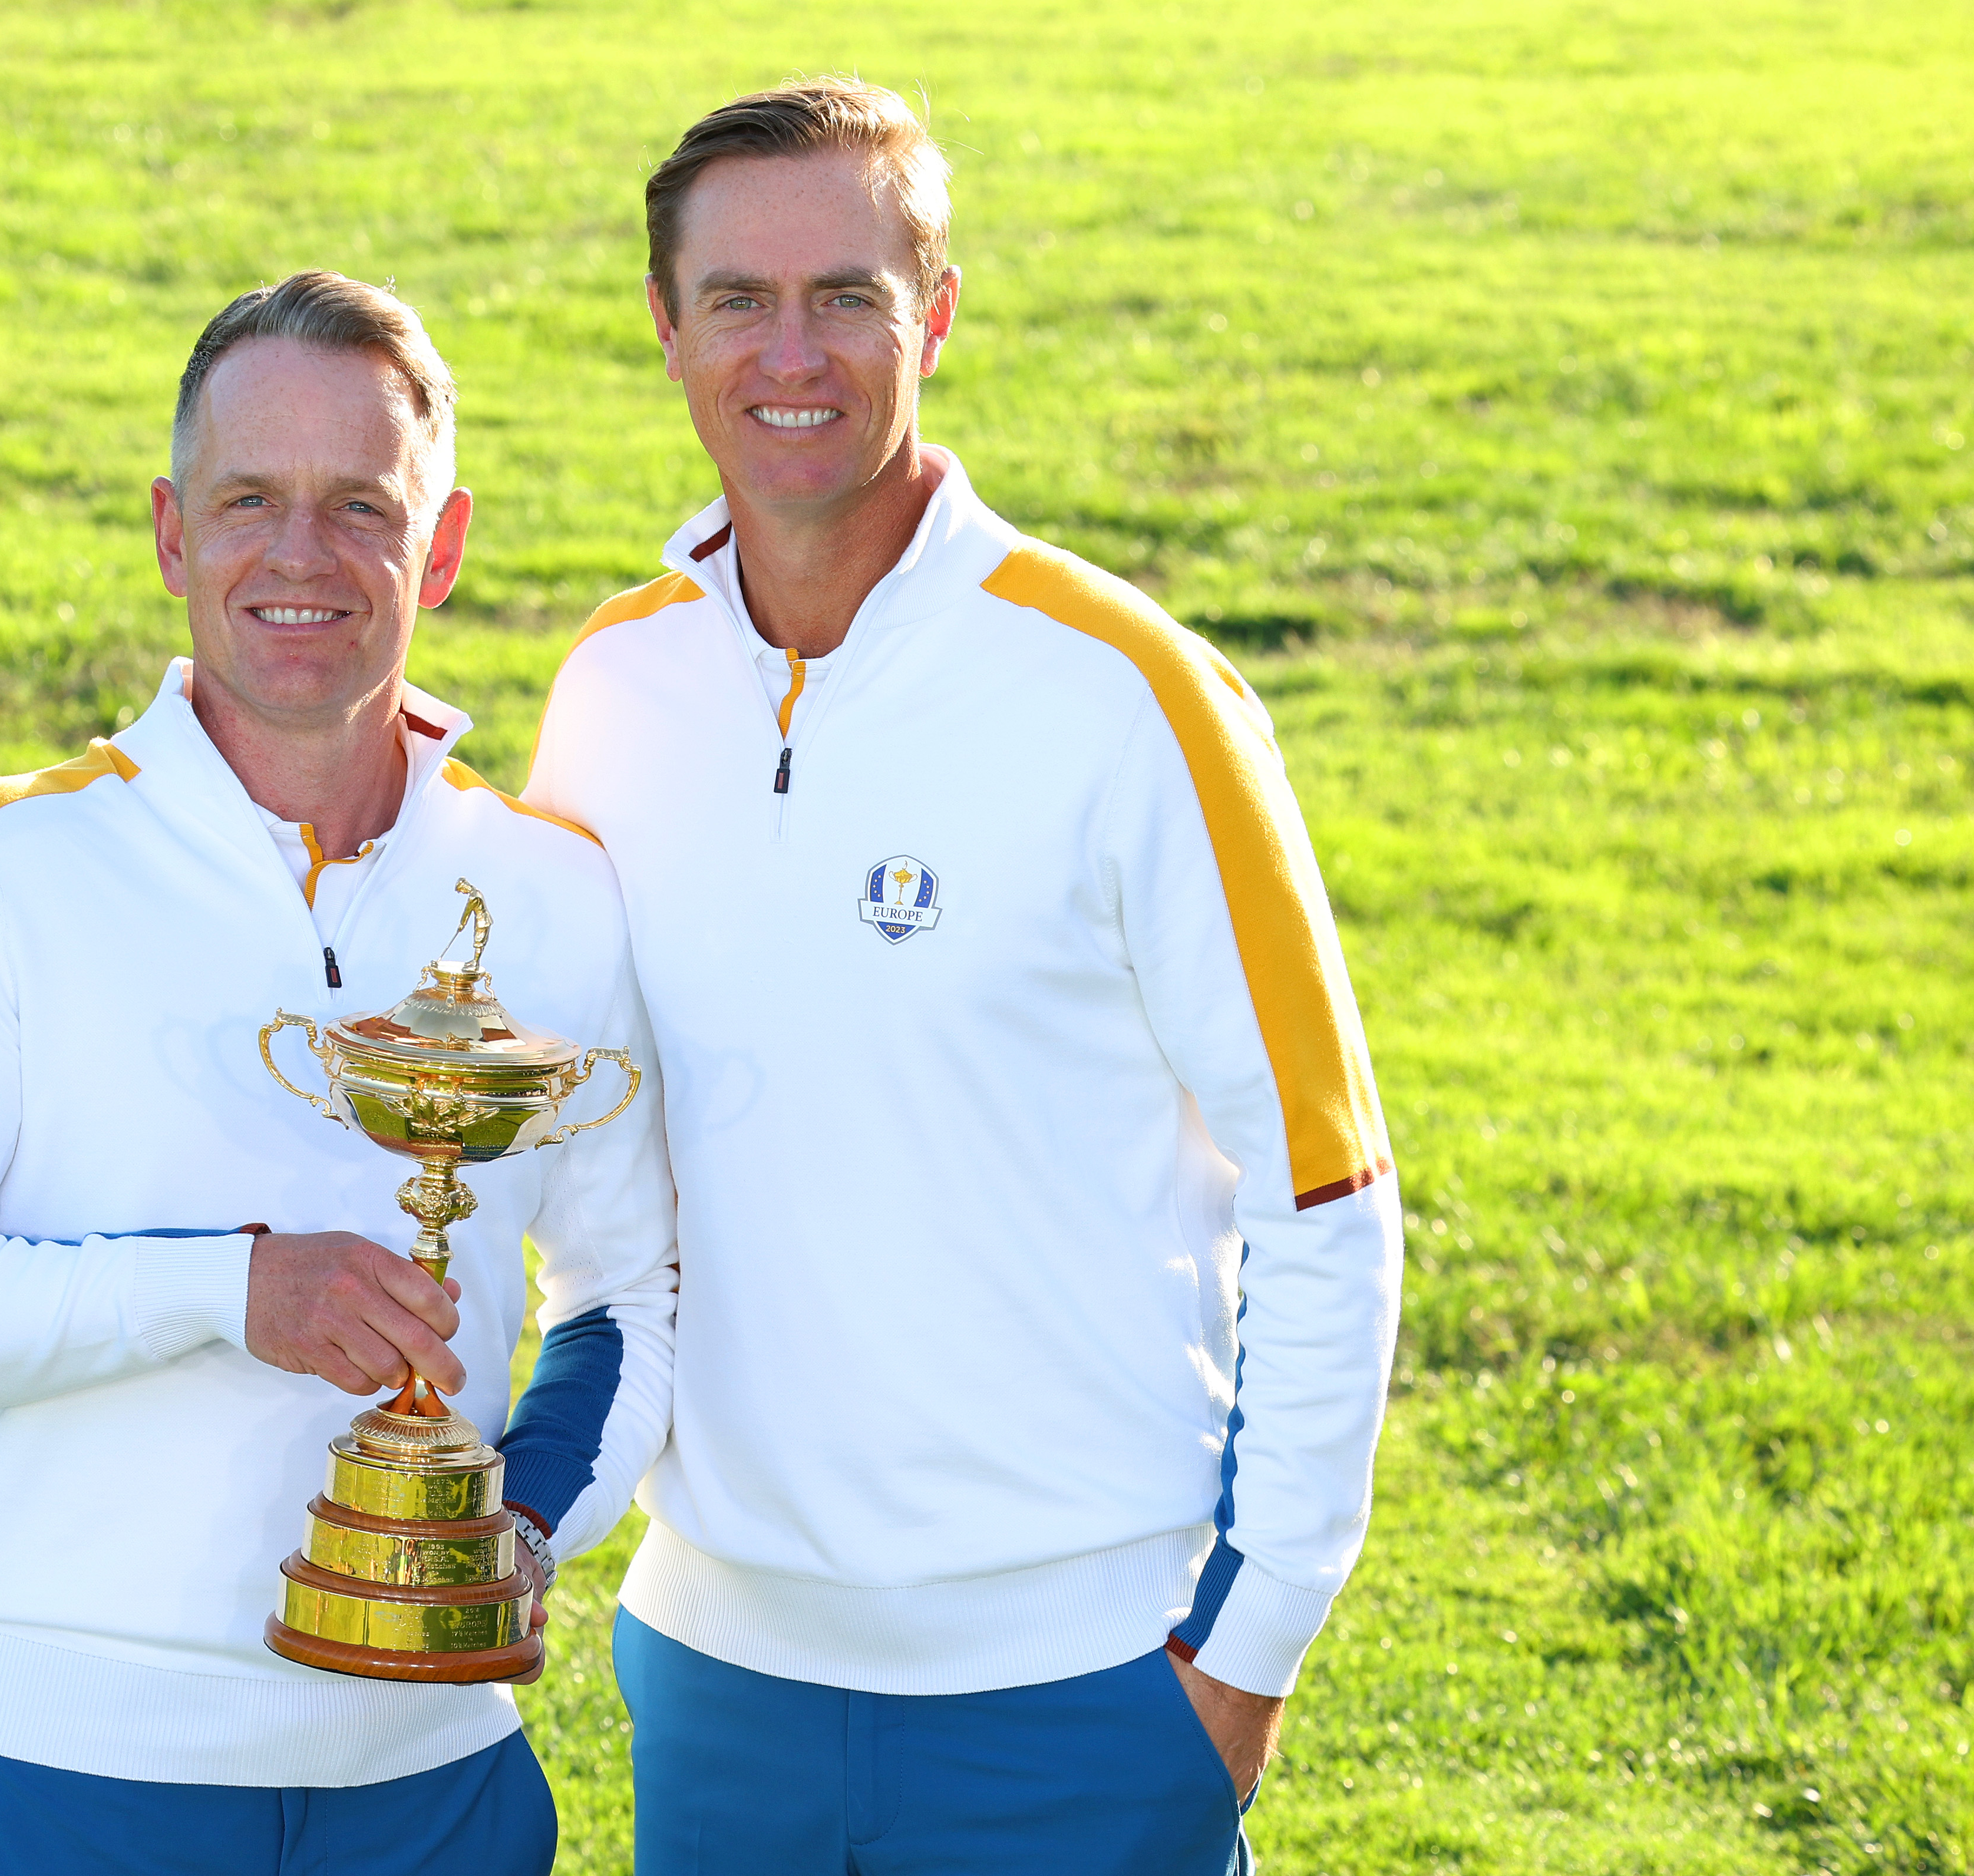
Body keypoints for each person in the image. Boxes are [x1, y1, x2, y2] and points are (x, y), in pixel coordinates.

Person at [523, 80, 1403, 1875]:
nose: (794, 351)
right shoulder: (611, 696)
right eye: (739, 301)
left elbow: (1331, 1191)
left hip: (1080, 1694)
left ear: (934, 313)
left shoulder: (1128, 692)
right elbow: (592, 1179)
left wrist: (1245, 1660)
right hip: (716, 1678)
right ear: (666, 328)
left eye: (847, 295)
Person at [0, 270, 676, 1876]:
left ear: (444, 547)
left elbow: (630, 1294)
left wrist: (513, 1529)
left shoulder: (552, 893)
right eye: (249, 499)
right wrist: (226, 1292)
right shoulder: (1, 863)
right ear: (173, 533)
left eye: (360, 507)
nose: (301, 556)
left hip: (439, 1783)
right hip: (58, 1778)